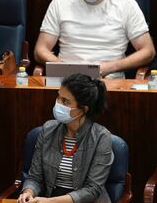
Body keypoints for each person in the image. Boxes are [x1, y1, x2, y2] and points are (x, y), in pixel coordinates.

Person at [34, 0, 155, 78]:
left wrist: (111, 67)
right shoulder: (60, 3)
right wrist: (64, 68)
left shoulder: (127, 5)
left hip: (109, 80)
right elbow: (40, 50)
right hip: (67, 80)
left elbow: (148, 51)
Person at [18, 73, 113, 203]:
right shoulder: (48, 130)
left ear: (83, 109)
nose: (58, 104)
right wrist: (28, 192)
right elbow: (35, 177)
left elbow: (92, 189)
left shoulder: (101, 137)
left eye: (65, 101)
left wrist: (51, 202)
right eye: (58, 97)